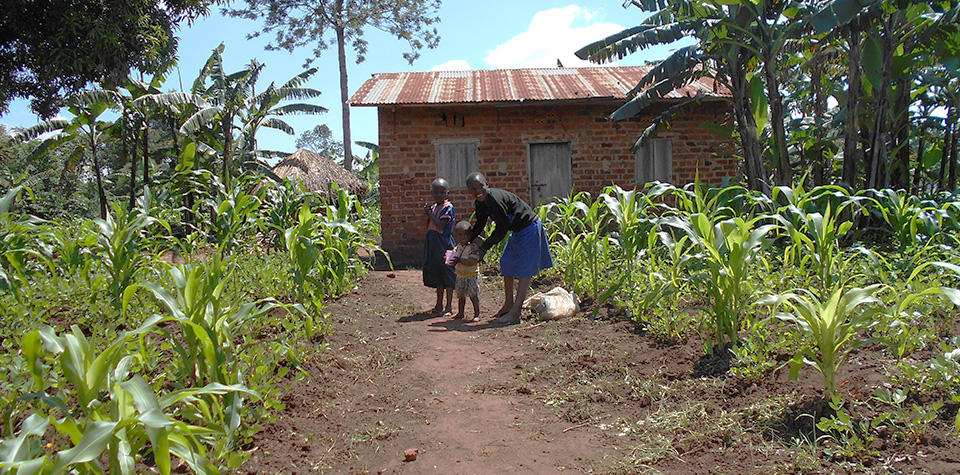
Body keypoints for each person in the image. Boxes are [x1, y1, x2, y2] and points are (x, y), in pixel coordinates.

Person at [465, 172, 553, 324]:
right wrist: (467, 242)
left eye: (481, 186)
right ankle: (508, 304)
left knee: (525, 269)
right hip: (518, 230)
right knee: (506, 261)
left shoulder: (495, 200)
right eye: (474, 189)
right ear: (469, 191)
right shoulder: (480, 203)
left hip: (529, 228)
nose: (478, 191)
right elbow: (479, 223)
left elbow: (502, 228)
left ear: (487, 184)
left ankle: (515, 313)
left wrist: (483, 248)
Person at [422, 178, 456, 315]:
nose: (438, 195)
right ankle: (438, 305)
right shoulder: (435, 207)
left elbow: (441, 225)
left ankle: (449, 307)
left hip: (444, 244)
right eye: (435, 193)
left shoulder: (448, 207)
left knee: (447, 274)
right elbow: (428, 225)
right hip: (434, 244)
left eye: (441, 193)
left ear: (447, 193)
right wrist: (427, 214)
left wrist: (430, 214)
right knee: (437, 274)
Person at [450, 221, 483, 322]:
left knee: (473, 295)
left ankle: (477, 314)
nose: (463, 238)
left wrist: (460, 260)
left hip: (472, 275)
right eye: (460, 236)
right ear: (456, 237)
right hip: (460, 275)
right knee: (461, 295)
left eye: (465, 235)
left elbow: (473, 261)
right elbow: (453, 257)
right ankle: (460, 313)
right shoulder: (457, 248)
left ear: (470, 236)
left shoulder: (472, 248)